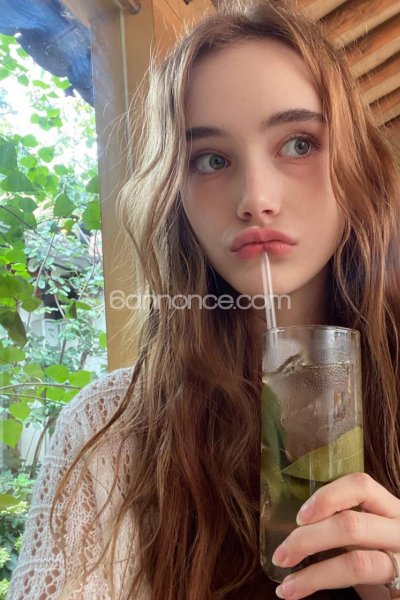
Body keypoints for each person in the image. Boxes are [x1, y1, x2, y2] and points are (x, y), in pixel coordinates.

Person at [7, 0, 400, 599]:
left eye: (299, 144)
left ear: (359, 165)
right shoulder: (111, 434)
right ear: (176, 195)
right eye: (211, 159)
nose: (256, 198)